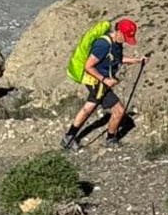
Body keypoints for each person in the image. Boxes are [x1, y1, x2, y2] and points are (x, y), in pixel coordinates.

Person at [60, 18, 148, 149]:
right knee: (118, 110)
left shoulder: (116, 43)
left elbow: (118, 59)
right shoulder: (103, 45)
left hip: (100, 81)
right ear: (118, 31)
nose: (126, 41)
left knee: (88, 108)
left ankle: (69, 137)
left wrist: (137, 60)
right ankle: (111, 140)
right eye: (125, 37)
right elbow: (88, 66)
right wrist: (105, 80)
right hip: (98, 82)